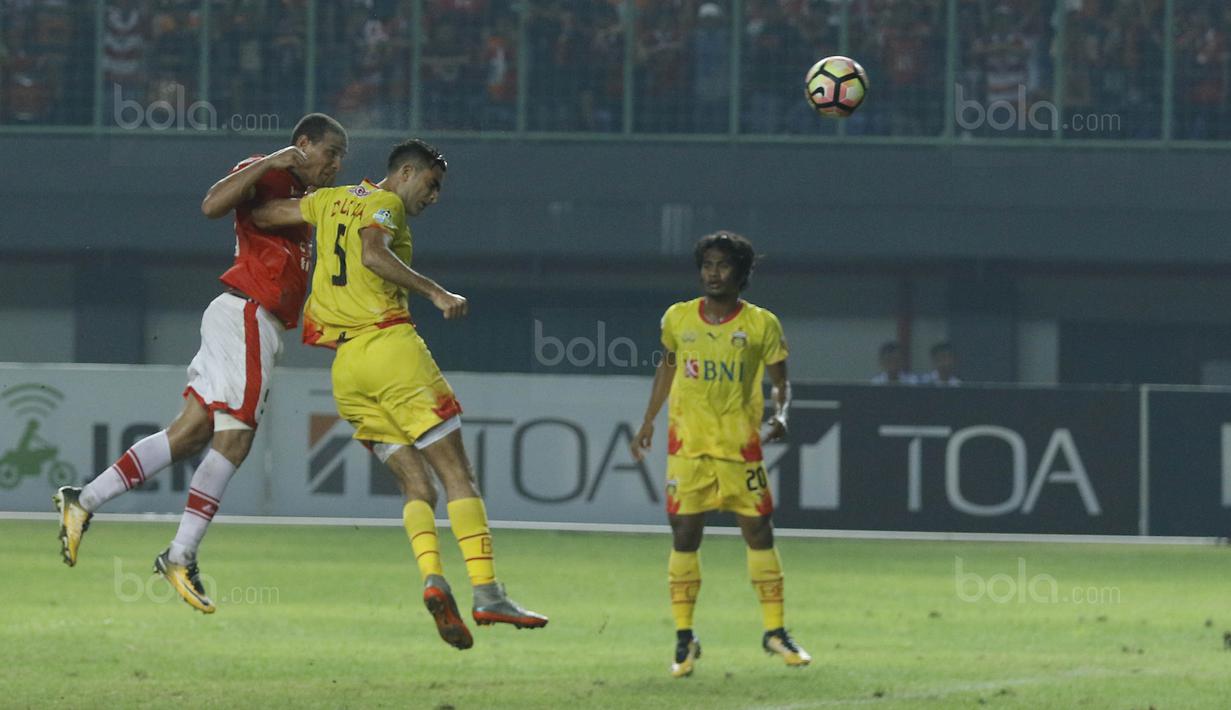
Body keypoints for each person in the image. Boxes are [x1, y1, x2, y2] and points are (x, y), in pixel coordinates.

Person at [250, 138, 546, 651]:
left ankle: (433, 578)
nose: (434, 197)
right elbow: (372, 251)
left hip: (347, 370)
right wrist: (436, 292)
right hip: (391, 350)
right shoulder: (384, 204)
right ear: (405, 173)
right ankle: (488, 592)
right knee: (458, 475)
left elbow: (265, 214)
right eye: (431, 185)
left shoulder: (330, 199)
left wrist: (268, 170)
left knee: (418, 488)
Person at [53, 113, 349, 615]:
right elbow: (213, 204)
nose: (337, 165)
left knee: (189, 434)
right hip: (249, 315)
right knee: (236, 438)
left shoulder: (303, 201)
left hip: (243, 317)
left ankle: (84, 499)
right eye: (332, 153)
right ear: (303, 144)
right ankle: (180, 553)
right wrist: (271, 161)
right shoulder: (269, 171)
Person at [630, 231, 810, 678]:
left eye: (723, 265)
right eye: (707, 264)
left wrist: (783, 414)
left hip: (739, 447)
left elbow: (782, 382)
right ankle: (684, 639)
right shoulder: (678, 318)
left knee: (759, 533)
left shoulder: (761, 325)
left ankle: (775, 631)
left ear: (742, 274)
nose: (713, 272)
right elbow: (667, 366)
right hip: (687, 447)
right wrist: (650, 418)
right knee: (685, 537)